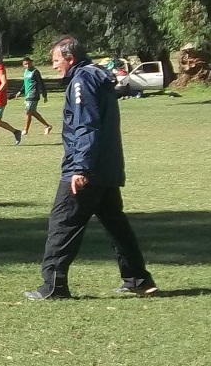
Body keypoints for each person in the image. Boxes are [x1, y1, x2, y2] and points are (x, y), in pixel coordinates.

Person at [25, 36, 159, 300]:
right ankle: (137, 279)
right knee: (116, 224)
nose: (54, 67)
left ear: (69, 58)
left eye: (55, 61)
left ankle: (53, 286)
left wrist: (80, 168)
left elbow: (87, 125)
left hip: (88, 168)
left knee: (62, 223)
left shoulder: (81, 81)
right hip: (107, 168)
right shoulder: (97, 75)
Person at [17, 56, 53, 136]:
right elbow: (25, 83)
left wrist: (44, 94)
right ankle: (47, 126)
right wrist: (20, 91)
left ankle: (26, 130)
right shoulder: (26, 72)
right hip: (27, 94)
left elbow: (41, 83)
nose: (27, 65)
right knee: (32, 112)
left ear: (31, 62)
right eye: (25, 64)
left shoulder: (35, 72)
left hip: (34, 94)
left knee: (28, 112)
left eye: (28, 63)